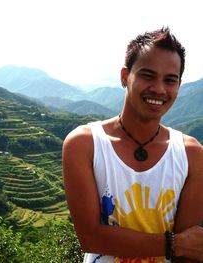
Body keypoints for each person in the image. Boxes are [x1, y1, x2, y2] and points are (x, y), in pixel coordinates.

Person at [62, 27, 203, 263]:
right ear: (125, 76)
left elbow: (190, 251)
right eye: (148, 75)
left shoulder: (192, 154)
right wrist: (174, 244)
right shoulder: (84, 144)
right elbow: (90, 237)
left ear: (179, 86)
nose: (159, 89)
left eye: (170, 80)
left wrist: (182, 246)